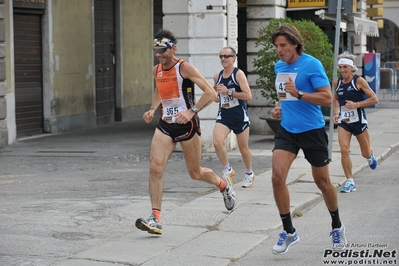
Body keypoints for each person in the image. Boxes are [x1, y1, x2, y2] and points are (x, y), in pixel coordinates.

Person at [135, 29, 236, 235]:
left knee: (195, 172)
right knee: (155, 168)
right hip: (165, 125)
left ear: (173, 48)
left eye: (162, 50)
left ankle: (224, 185)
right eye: (156, 51)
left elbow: (210, 93)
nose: (159, 55)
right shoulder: (157, 71)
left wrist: (191, 112)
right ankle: (155, 218)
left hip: (187, 126)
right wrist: (152, 110)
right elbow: (159, 91)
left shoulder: (184, 68)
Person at [269, 24, 346, 254]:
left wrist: (300, 94)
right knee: (276, 177)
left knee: (322, 182)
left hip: (312, 130)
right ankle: (289, 231)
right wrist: (279, 105)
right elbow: (285, 94)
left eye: (283, 45)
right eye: (276, 46)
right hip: (287, 130)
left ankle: (337, 225)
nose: (279, 50)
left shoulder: (311, 64)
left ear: (294, 43)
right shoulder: (279, 66)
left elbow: (326, 97)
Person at [333, 52, 378, 193]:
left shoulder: (359, 81)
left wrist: (357, 104)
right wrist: (336, 113)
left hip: (359, 121)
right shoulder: (337, 82)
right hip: (344, 121)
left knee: (365, 152)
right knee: (344, 149)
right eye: (340, 67)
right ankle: (350, 181)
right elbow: (335, 98)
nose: (342, 70)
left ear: (352, 67)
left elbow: (374, 99)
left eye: (345, 67)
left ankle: (370, 155)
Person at [213, 47, 256, 188]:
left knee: (243, 148)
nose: (223, 59)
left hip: (239, 115)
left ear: (233, 58)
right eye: (221, 56)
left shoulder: (239, 74)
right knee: (217, 142)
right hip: (224, 115)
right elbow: (216, 93)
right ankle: (228, 169)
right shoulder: (217, 76)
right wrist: (216, 97)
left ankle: (249, 173)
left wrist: (229, 92)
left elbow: (248, 95)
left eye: (226, 56)